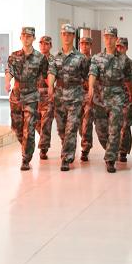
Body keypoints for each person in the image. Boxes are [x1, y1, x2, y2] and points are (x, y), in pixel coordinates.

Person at [89, 26, 132, 173]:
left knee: (115, 130)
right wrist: (90, 88)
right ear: (104, 38)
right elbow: (92, 74)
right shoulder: (96, 58)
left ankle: (110, 159)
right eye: (106, 37)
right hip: (100, 98)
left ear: (116, 39)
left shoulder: (123, 59)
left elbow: (129, 78)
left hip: (117, 97)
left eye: (111, 37)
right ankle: (110, 149)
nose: (109, 40)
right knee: (101, 130)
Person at [5, 27, 49, 171]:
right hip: (16, 97)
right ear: (20, 38)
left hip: (31, 96)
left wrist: (51, 90)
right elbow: (9, 71)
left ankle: (26, 158)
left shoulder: (40, 58)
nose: (26, 38)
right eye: (23, 35)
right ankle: (26, 146)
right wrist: (7, 82)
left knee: (29, 129)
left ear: (33, 38)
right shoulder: (14, 56)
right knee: (17, 128)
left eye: (29, 36)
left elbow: (46, 75)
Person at [48, 24, 89, 171]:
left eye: (69, 34)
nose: (66, 36)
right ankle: (67, 146)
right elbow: (52, 72)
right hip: (59, 97)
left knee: (71, 128)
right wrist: (50, 86)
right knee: (61, 129)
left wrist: (88, 93)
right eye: (64, 34)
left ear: (73, 36)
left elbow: (86, 76)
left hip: (75, 97)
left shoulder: (81, 57)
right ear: (61, 35)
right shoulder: (55, 57)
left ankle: (66, 158)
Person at [116, 37, 132, 163]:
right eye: (117, 46)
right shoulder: (111, 62)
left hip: (126, 98)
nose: (119, 49)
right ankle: (113, 148)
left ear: (126, 48)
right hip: (112, 98)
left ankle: (123, 151)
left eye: (122, 47)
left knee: (125, 124)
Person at [36, 35, 54, 160]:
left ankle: (43, 148)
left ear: (50, 46)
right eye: (41, 43)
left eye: (46, 44)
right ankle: (44, 139)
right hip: (35, 95)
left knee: (46, 122)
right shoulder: (35, 58)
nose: (43, 46)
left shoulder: (54, 60)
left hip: (48, 95)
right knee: (37, 122)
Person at [79, 36, 94, 161]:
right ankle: (84, 141)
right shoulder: (76, 59)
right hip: (76, 95)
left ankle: (85, 148)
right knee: (79, 122)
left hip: (89, 95)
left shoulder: (95, 60)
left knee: (87, 121)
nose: (84, 46)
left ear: (90, 46)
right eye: (82, 44)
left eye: (87, 44)